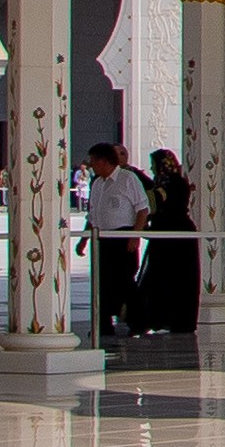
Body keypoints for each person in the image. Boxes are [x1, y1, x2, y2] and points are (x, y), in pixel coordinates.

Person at [82, 141, 146, 345]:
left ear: (103, 161)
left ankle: (138, 322)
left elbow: (142, 209)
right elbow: (93, 215)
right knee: (102, 282)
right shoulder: (97, 184)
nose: (91, 166)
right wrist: (84, 240)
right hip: (102, 238)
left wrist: (135, 236)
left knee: (125, 281)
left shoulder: (128, 179)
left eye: (93, 161)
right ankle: (104, 324)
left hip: (123, 237)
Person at [131, 146, 198, 336]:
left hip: (176, 237)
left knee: (178, 279)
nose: (152, 168)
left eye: (153, 164)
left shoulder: (173, 183)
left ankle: (177, 320)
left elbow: (154, 201)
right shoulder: (164, 182)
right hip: (164, 236)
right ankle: (159, 318)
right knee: (161, 277)